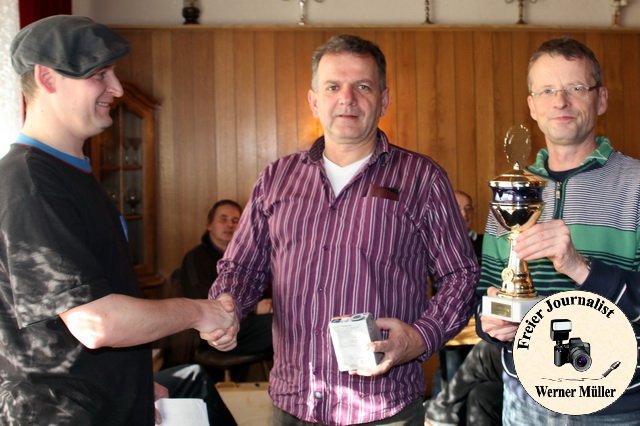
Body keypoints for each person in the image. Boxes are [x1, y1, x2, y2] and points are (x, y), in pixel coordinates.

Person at [204, 34, 479, 425]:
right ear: (314, 101)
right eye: (333, 87)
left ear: (383, 100)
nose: (347, 98)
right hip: (293, 403)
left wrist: (420, 337)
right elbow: (242, 268)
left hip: (384, 408)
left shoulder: (422, 178)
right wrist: (228, 306)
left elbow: (461, 275)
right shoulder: (276, 179)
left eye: (362, 86)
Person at [0, 15, 235, 425]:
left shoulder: (72, 176)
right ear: (47, 78)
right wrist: (198, 311)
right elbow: (95, 322)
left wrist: (138, 379)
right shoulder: (31, 184)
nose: (117, 88)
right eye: (99, 74)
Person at [476, 37, 640, 424]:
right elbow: (486, 292)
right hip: (526, 399)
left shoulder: (635, 183)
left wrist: (580, 267)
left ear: (601, 99)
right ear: (532, 106)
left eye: (576, 87)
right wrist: (493, 321)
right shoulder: (511, 193)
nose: (560, 101)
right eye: (547, 90)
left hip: (614, 402)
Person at [180, 199, 272, 373]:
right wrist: (254, 308)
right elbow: (200, 299)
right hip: (213, 331)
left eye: (235, 221)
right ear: (209, 225)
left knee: (285, 322)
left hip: (247, 323)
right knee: (280, 327)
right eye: (223, 219)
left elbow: (262, 290)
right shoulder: (195, 257)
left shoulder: (248, 259)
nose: (229, 225)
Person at [454, 190, 483, 263]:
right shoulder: (435, 244)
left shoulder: (486, 243)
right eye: (457, 208)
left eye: (468, 208)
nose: (464, 214)